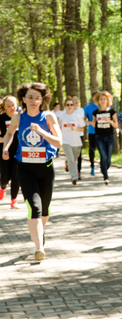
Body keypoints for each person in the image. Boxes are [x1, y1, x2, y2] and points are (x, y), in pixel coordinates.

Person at [2, 83, 62, 261]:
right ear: (24, 99)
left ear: (42, 100)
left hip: (46, 168)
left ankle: (40, 234)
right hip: (25, 169)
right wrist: (6, 147)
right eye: (30, 97)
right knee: (34, 208)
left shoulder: (49, 116)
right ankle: (39, 247)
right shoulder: (18, 118)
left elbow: (59, 142)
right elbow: (9, 134)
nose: (34, 101)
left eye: (37, 97)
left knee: (45, 209)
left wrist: (42, 131)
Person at [91, 91, 118, 184]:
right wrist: (89, 122)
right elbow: (93, 124)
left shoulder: (112, 112)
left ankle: (103, 168)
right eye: (101, 99)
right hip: (99, 137)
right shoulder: (95, 112)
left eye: (104, 99)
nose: (102, 101)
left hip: (110, 137)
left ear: (108, 100)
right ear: (98, 101)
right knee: (104, 156)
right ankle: (106, 177)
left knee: (108, 160)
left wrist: (109, 121)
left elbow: (116, 125)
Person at [57, 96, 85, 185]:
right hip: (65, 140)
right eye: (68, 104)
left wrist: (75, 129)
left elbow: (82, 129)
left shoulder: (77, 116)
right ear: (65, 106)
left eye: (71, 104)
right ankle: (74, 176)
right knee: (71, 158)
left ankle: (71, 168)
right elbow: (58, 128)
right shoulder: (61, 117)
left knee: (74, 159)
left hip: (76, 141)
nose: (70, 106)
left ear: (73, 106)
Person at [0, 96, 21, 208]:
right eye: (9, 106)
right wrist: (6, 139)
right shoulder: (1, 119)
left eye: (13, 105)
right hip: (4, 151)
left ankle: (14, 199)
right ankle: (3, 187)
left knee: (15, 175)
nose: (12, 108)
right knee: (4, 177)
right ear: (4, 107)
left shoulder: (21, 118)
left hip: (19, 151)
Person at [84, 93, 99, 176]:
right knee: (92, 149)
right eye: (95, 97)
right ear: (93, 98)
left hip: (102, 132)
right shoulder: (88, 108)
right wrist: (90, 122)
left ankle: (103, 166)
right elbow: (81, 120)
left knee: (102, 149)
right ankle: (92, 166)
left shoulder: (104, 106)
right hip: (92, 132)